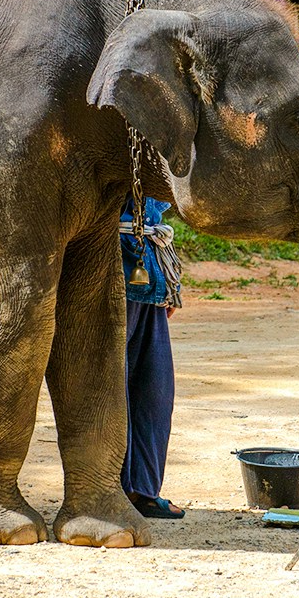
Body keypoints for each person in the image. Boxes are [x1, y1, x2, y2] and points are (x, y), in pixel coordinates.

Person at [119, 196, 184, 521]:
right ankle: (114, 487)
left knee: (154, 389)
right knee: (115, 384)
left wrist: (164, 278)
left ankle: (143, 489)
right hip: (113, 265)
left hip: (149, 268)